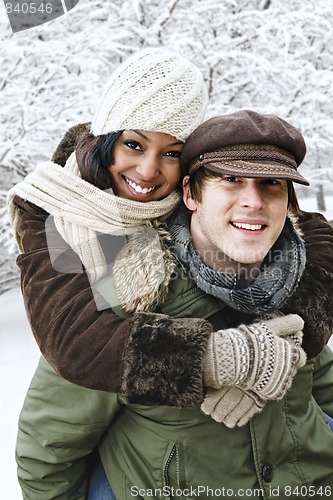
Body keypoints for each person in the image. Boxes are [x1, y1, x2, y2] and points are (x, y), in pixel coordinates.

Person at [10, 111, 333, 498]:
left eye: (271, 184)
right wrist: (213, 361)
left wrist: (284, 354)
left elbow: (321, 387)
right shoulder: (128, 293)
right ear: (191, 194)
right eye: (230, 180)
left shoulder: (295, 281)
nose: (253, 201)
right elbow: (48, 450)